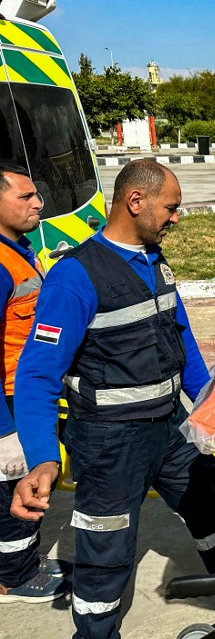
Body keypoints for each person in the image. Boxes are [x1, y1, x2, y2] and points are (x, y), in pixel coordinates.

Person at [10, 160, 215, 637]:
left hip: (168, 429)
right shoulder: (74, 277)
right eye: (172, 207)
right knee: (107, 550)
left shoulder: (151, 259)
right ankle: (97, 631)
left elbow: (181, 339)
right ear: (135, 202)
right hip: (109, 443)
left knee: (211, 506)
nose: (177, 217)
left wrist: (213, 407)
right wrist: (42, 458)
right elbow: (37, 375)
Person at [0, 163, 71, 603]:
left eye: (36, 195)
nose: (38, 203)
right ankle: (14, 576)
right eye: (25, 197)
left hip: (20, 393)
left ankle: (20, 563)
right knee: (15, 488)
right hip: (9, 401)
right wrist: (5, 425)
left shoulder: (19, 250)